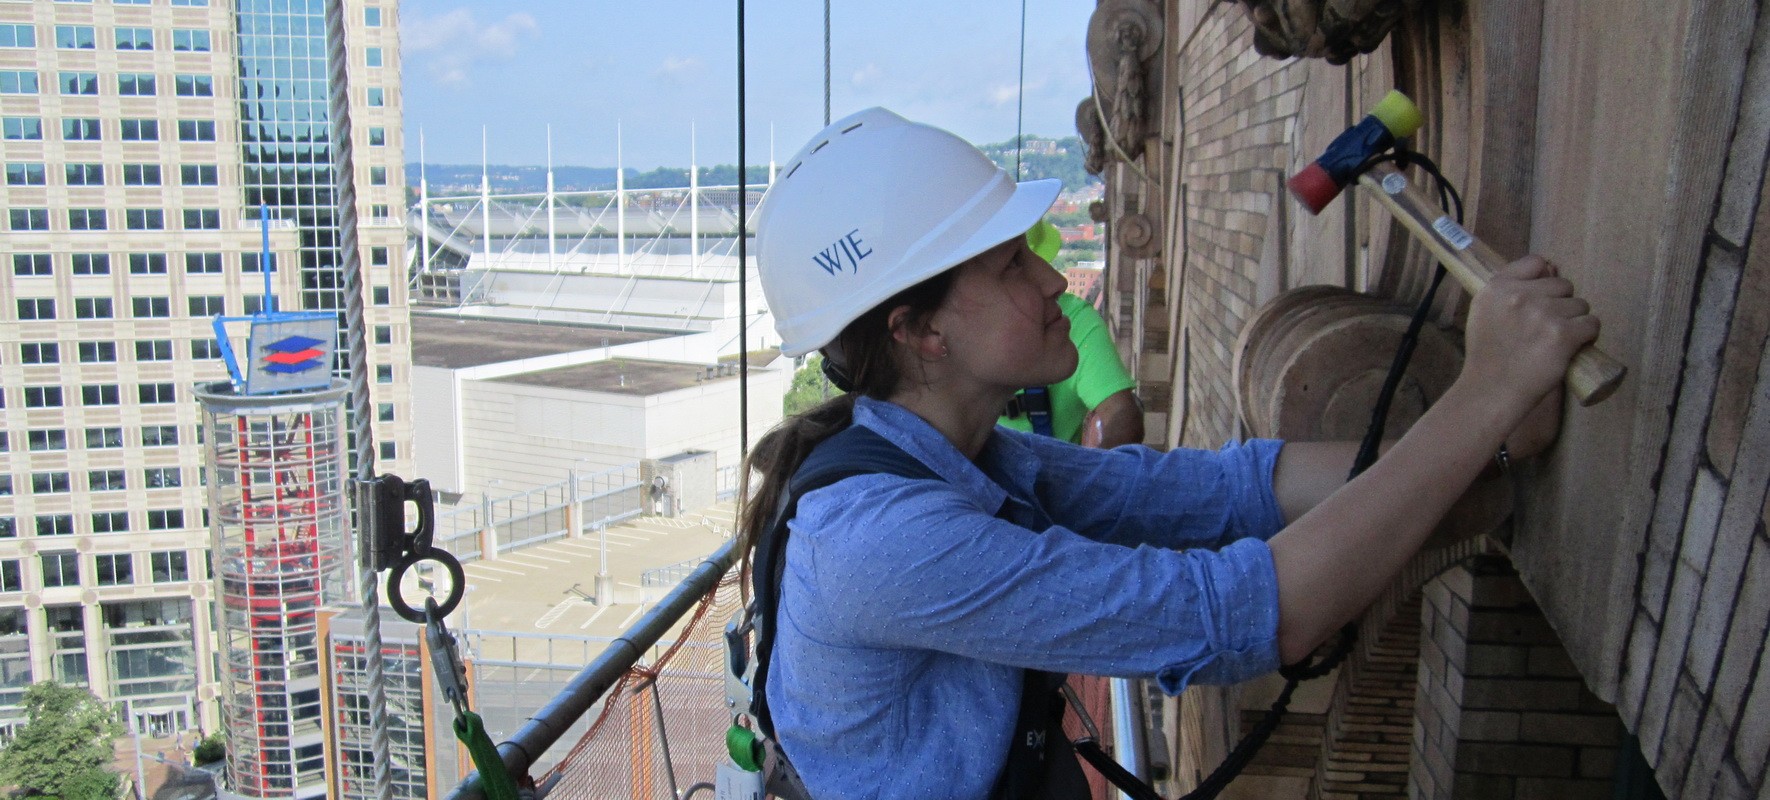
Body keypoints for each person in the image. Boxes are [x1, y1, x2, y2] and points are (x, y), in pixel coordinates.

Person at [742, 108, 1594, 800]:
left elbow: (1214, 492)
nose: (1052, 280)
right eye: (1011, 265)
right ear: (922, 331)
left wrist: (1487, 439)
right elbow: (1245, 613)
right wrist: (1486, 394)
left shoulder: (967, 457)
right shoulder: (886, 540)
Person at [997, 220, 1144, 449]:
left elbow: (1121, 414)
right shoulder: (1075, 318)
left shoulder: (1071, 318)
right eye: (1014, 263)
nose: (1058, 282)